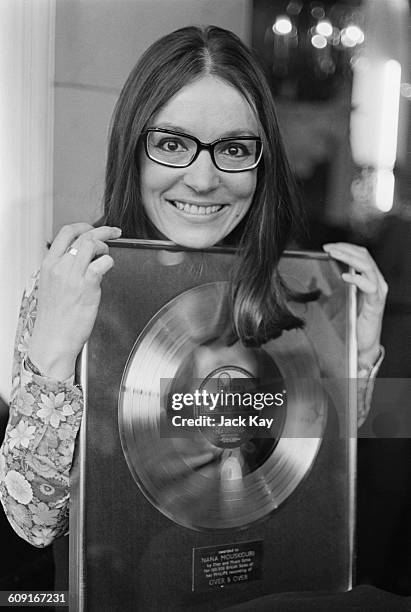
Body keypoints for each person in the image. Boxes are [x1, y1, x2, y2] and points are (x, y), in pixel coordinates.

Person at [0, 25, 387, 548]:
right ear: (133, 150)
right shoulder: (71, 284)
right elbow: (37, 526)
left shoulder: (297, 286)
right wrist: (53, 355)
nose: (204, 179)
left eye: (232, 148)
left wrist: (354, 359)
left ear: (262, 160)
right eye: (173, 143)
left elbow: (316, 484)